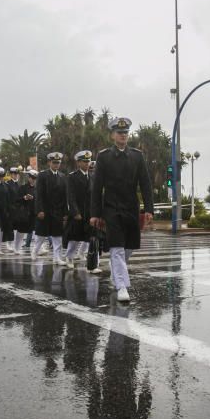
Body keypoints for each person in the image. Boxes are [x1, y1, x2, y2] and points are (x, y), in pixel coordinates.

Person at [90, 118, 154, 302]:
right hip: (111, 208)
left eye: (125, 132)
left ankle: (117, 271)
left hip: (131, 208)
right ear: (112, 135)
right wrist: (95, 213)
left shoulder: (137, 156)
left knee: (129, 247)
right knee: (117, 247)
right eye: (119, 132)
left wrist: (149, 208)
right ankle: (122, 287)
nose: (123, 135)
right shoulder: (104, 157)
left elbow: (145, 183)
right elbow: (97, 187)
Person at [34, 152, 69, 264]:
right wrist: (39, 210)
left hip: (58, 210)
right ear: (49, 162)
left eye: (58, 163)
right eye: (54, 162)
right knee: (41, 234)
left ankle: (57, 257)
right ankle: (34, 251)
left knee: (57, 235)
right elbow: (39, 194)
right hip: (45, 209)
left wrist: (65, 212)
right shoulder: (42, 175)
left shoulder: (63, 177)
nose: (56, 165)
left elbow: (65, 196)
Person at [64, 150, 93, 269]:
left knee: (90, 237)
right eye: (84, 161)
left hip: (90, 213)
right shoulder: (72, 177)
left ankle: (91, 262)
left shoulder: (92, 177)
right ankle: (69, 256)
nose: (87, 164)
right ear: (78, 163)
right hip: (78, 212)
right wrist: (75, 212)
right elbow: (70, 196)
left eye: (88, 161)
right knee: (75, 237)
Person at [13, 169, 38, 253]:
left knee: (36, 231)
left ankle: (39, 248)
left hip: (34, 213)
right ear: (29, 178)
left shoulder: (37, 189)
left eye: (35, 178)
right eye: (32, 178)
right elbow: (16, 200)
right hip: (24, 214)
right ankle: (16, 248)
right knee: (21, 232)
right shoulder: (22, 188)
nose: (33, 180)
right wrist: (24, 198)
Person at [3, 166, 22, 253]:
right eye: (14, 174)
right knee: (9, 227)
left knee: (17, 227)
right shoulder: (7, 184)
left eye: (17, 174)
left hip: (18, 209)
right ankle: (9, 243)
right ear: (11, 174)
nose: (16, 175)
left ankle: (15, 245)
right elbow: (6, 198)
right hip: (10, 209)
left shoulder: (19, 185)